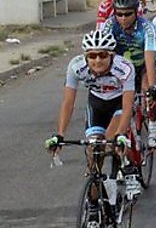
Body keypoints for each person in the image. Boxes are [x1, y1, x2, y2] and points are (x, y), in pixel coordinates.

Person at [45, 30, 139, 223]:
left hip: (119, 105)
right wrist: (60, 135)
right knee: (93, 152)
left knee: (109, 142)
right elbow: (68, 102)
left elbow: (128, 105)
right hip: (96, 105)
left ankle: (126, 169)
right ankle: (94, 205)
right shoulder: (76, 66)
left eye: (103, 55)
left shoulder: (125, 67)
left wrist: (121, 133)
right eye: (92, 56)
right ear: (85, 56)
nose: (97, 60)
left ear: (111, 55)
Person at [102, 0, 156, 147]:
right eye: (119, 14)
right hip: (123, 65)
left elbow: (149, 56)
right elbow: (105, 52)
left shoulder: (146, 27)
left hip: (145, 61)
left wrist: (152, 88)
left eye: (128, 14)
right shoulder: (109, 25)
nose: (123, 18)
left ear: (136, 12)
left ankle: (154, 123)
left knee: (147, 87)